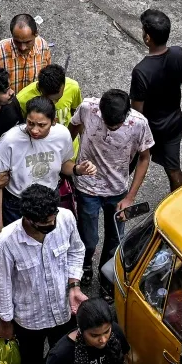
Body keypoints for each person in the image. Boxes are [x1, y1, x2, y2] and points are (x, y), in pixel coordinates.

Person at [0, 184, 86, 364]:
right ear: (28, 219)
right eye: (46, 225)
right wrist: (5, 323)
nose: (53, 226)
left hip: (63, 311)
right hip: (28, 320)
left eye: (54, 219)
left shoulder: (65, 218)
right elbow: (2, 286)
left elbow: (76, 250)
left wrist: (74, 285)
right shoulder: (5, 243)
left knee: (65, 360)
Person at [71, 90, 153, 281]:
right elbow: (71, 129)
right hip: (86, 187)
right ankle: (85, 264)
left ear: (127, 114)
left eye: (117, 124)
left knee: (115, 239)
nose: (113, 127)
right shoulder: (86, 108)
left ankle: (106, 275)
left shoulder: (139, 123)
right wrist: (70, 165)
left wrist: (130, 198)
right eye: (109, 123)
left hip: (117, 191)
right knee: (88, 240)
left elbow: (144, 158)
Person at [130, 9, 182, 188]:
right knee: (173, 169)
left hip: (149, 129)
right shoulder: (179, 54)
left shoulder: (141, 71)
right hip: (173, 124)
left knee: (128, 164)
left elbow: (137, 113)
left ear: (148, 38)